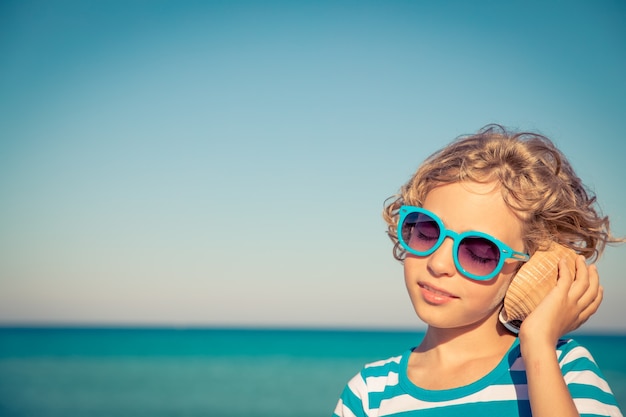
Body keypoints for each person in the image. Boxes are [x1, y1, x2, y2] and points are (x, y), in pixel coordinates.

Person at [332, 125, 624, 417]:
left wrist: (537, 346)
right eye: (427, 229)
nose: (438, 264)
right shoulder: (370, 394)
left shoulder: (564, 369)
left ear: (528, 265)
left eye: (479, 251)